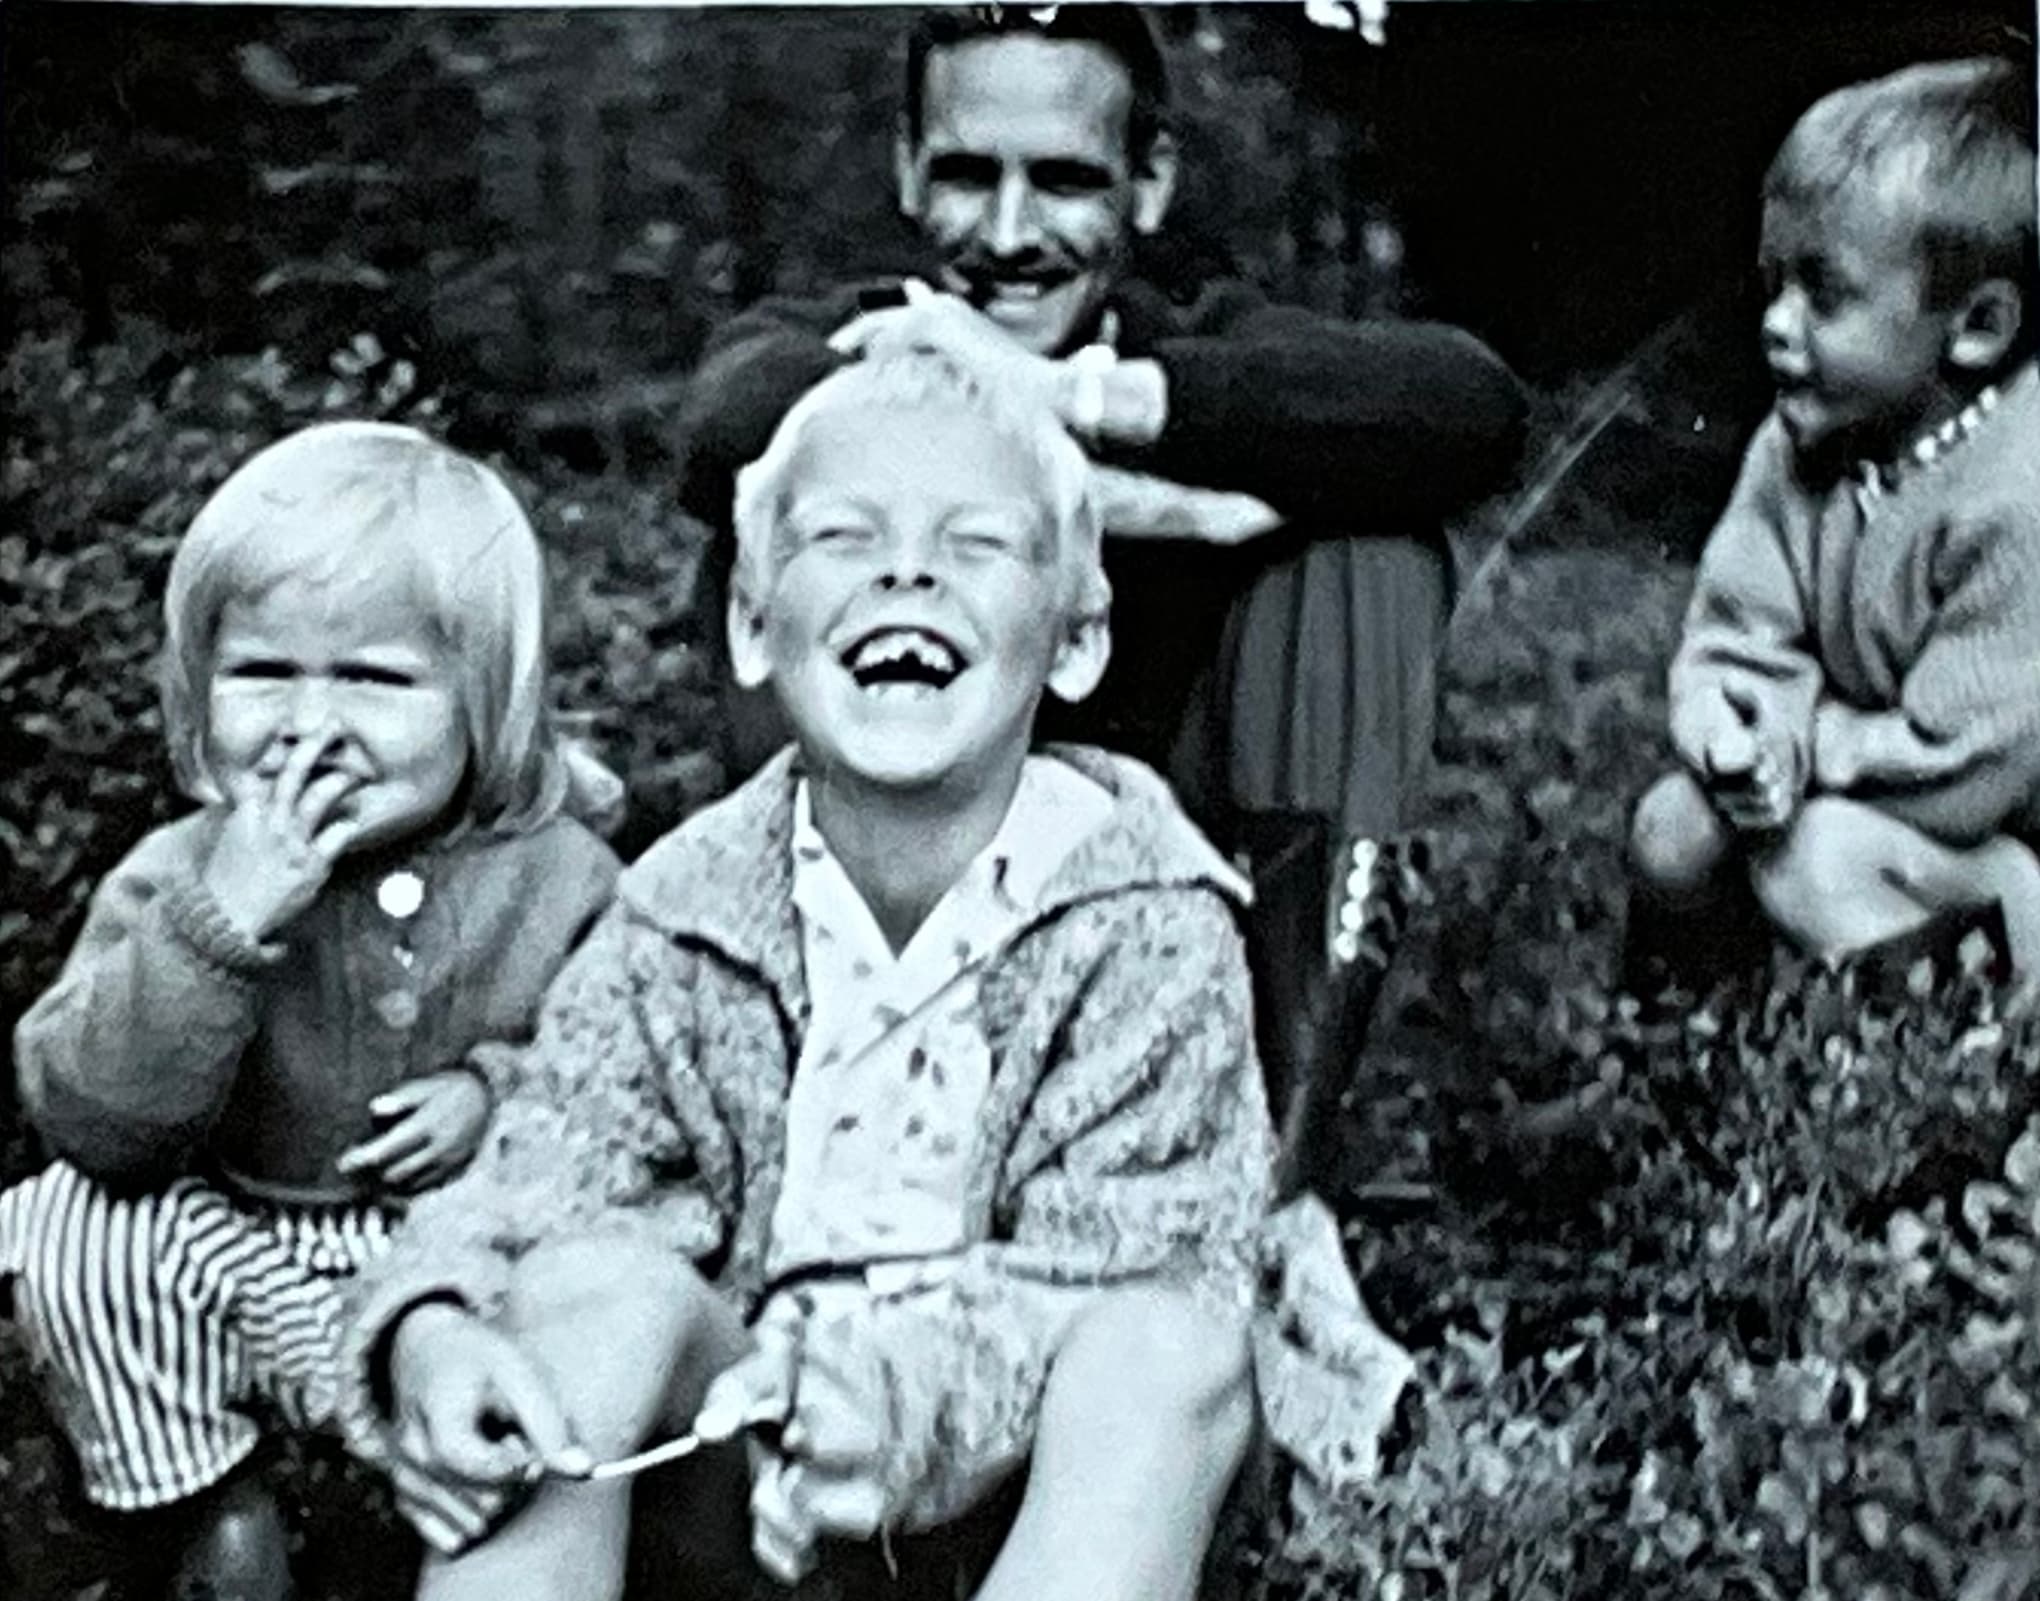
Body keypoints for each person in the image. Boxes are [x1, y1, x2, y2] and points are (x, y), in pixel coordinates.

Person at [341, 354, 1411, 1601]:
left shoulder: (1148, 922)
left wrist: (897, 1394)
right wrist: (429, 1326)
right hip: (761, 1479)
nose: (908, 573)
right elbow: (536, 1179)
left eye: (977, 543)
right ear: (754, 625)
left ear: (1075, 639)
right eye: (844, 537)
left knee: (1169, 1343)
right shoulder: (682, 912)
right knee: (586, 1285)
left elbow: (1136, 1262)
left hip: (1040, 1493)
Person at [678, 5, 1526, 875]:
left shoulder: (1197, 339)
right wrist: (1165, 511)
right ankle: (819, 938)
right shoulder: (859, 332)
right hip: (895, 868)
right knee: (777, 516)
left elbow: (1472, 404)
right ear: (908, 172)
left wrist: (1065, 394)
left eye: (1064, 181)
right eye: (967, 176)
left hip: (1193, 880)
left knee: (1373, 557)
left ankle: (1308, 951)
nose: (1009, 234)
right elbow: (723, 427)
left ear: (1148, 182)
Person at [6, 421, 622, 1599]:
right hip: (245, 1258)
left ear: (485, 703)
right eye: (262, 671)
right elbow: (94, 1120)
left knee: (598, 1273)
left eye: (375, 678)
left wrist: (494, 1090)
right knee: (63, 1225)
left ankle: (463, 1501)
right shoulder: (177, 869)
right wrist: (223, 921)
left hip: (455, 1273)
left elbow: (618, 1067)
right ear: (199, 688)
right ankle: (210, 1502)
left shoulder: (562, 876)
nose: (310, 721)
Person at [1627, 57, 2040, 1001]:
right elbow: (1738, 635)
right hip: (1878, 792)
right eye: (1774, 282)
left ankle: (1951, 1058)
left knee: (1812, 855)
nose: (1776, 322)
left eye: (1823, 293)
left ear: (1977, 326)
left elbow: (1968, 768)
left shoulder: (2020, 488)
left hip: (1993, 834)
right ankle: (1690, 1046)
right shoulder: (1797, 447)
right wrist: (1742, 737)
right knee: (1673, 827)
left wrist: (1808, 744)